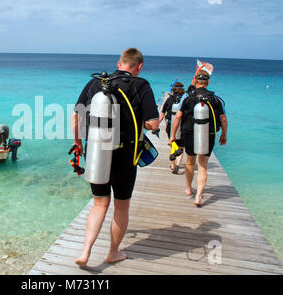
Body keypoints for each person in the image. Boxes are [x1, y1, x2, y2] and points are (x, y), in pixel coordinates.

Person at [71, 48, 159, 266]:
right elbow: (153, 123)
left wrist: (77, 143)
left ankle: (85, 252)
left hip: (97, 152)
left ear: (118, 63)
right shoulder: (141, 85)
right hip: (125, 155)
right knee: (121, 206)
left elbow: (76, 115)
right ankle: (112, 253)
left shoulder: (95, 84)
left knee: (99, 204)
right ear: (139, 67)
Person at [169, 70, 228, 206]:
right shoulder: (216, 97)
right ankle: (199, 197)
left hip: (189, 133)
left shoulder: (187, 96)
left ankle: (189, 189)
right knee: (203, 166)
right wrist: (224, 134)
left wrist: (173, 135)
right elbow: (223, 119)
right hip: (209, 134)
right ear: (207, 82)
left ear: (195, 82)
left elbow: (177, 116)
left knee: (190, 162)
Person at [159, 82, 185, 174]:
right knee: (181, 146)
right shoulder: (185, 100)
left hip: (170, 125)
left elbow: (162, 114)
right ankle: (178, 164)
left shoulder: (169, 99)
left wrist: (156, 125)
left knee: (173, 143)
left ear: (173, 89)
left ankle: (173, 165)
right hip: (182, 125)